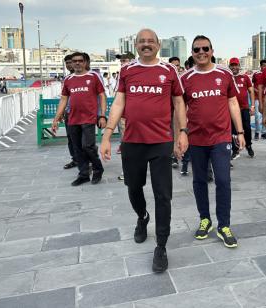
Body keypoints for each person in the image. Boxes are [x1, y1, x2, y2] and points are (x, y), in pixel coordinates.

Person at [100, 29, 188, 273]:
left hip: (161, 142)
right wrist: (107, 135)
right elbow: (119, 102)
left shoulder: (169, 71)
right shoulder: (127, 71)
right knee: (134, 188)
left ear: (159, 45)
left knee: (163, 195)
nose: (146, 45)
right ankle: (142, 217)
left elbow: (179, 102)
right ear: (136, 45)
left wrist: (183, 132)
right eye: (142, 41)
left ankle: (161, 245)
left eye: (151, 41)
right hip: (132, 142)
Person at [180, 35, 245, 248]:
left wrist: (241, 132)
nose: (201, 52)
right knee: (199, 181)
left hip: (221, 137)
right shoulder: (185, 78)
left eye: (205, 48)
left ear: (212, 50)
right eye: (196, 49)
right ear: (192, 52)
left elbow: (233, 103)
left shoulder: (224, 73)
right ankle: (205, 219)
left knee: (223, 181)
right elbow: (179, 110)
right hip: (196, 139)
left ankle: (223, 225)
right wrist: (179, 136)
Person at [52, 51, 107, 186]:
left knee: (88, 146)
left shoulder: (93, 76)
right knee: (77, 148)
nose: (77, 63)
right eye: (74, 61)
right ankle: (83, 174)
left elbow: (102, 96)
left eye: (80, 61)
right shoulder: (68, 80)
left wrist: (102, 115)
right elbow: (64, 99)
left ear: (85, 62)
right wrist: (56, 118)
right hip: (72, 118)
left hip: (89, 118)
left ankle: (98, 168)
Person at [228, 57, 255, 159]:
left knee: (247, 129)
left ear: (239, 66)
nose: (234, 67)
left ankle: (248, 146)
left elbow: (251, 91)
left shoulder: (245, 77)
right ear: (229, 66)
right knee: (233, 130)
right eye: (232, 65)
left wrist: (252, 106)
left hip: (244, 108)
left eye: (236, 65)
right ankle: (235, 150)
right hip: (232, 110)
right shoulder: (227, 77)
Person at [62, 54, 78, 170]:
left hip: (81, 113)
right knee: (70, 138)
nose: (68, 65)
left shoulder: (84, 76)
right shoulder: (67, 78)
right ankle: (75, 159)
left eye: (70, 62)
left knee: (83, 140)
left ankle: (87, 161)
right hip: (69, 113)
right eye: (66, 63)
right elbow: (64, 97)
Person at [252, 60, 266, 140]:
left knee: (264, 116)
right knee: (257, 116)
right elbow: (252, 86)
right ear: (261, 66)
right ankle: (257, 132)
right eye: (264, 65)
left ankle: (263, 133)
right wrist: (257, 91)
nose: (265, 67)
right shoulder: (256, 74)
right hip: (257, 98)